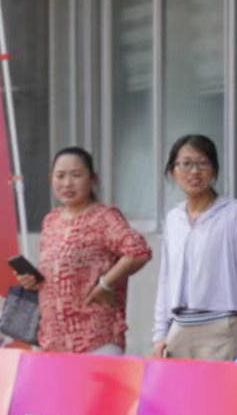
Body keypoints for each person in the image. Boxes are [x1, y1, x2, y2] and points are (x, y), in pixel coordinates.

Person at [15, 148, 151, 355]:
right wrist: (33, 281)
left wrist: (105, 284)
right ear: (51, 179)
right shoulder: (51, 221)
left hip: (96, 339)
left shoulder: (104, 217)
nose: (67, 183)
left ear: (92, 179)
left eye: (76, 175)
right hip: (53, 341)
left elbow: (138, 251)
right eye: (60, 176)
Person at [150, 134, 237, 362]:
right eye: (186, 164)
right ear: (172, 172)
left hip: (223, 331)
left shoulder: (234, 214)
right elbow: (165, 279)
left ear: (214, 170)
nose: (194, 171)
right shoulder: (173, 219)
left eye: (203, 163)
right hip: (180, 331)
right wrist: (160, 334)